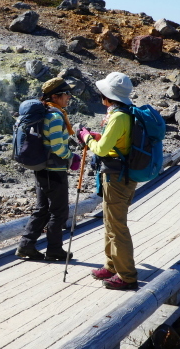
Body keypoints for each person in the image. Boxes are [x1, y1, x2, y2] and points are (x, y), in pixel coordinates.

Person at [77, 72, 138, 290]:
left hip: (116, 177)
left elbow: (102, 149)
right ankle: (112, 265)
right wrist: (95, 135)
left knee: (116, 227)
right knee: (111, 223)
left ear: (107, 96)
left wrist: (85, 137)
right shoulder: (125, 113)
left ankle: (127, 275)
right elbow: (115, 141)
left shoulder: (118, 117)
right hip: (120, 175)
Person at [16, 77, 81, 261]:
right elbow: (57, 147)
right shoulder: (54, 116)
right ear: (55, 95)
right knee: (59, 211)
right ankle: (54, 249)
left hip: (42, 168)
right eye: (67, 93)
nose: (70, 97)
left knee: (42, 208)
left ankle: (26, 246)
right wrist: (71, 157)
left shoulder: (45, 112)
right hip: (54, 170)